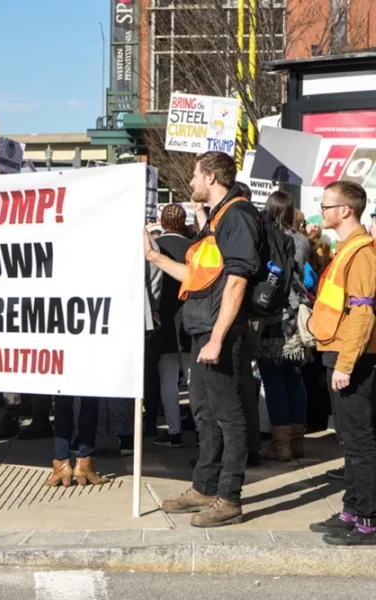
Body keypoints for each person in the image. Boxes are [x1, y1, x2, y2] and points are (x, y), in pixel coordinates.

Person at [145, 151, 262, 528]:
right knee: (204, 412)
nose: (191, 183)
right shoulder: (217, 217)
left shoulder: (238, 216)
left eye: (195, 175)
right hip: (204, 332)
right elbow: (197, 278)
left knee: (229, 416)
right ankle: (204, 487)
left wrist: (217, 337)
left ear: (211, 177)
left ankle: (229, 497)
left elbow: (238, 281)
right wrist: (155, 257)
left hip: (221, 335)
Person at [307, 181, 376, 546]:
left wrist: (346, 364)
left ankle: (368, 519)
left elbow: (363, 314)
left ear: (345, 210)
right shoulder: (346, 249)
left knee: (361, 441)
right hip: (340, 352)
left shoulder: (362, 252)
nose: (322, 211)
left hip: (355, 358)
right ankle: (352, 509)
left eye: (326, 205)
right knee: (350, 440)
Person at [257, 191, 310, 462]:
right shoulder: (301, 239)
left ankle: (281, 445)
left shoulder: (268, 239)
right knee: (294, 377)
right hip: (297, 313)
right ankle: (297, 441)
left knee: (274, 379)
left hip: (274, 315)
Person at [152, 204, 193, 448]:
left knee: (168, 379)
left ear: (161, 221)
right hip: (189, 318)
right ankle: (201, 430)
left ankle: (173, 431)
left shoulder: (156, 248)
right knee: (192, 378)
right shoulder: (193, 248)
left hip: (163, 320)